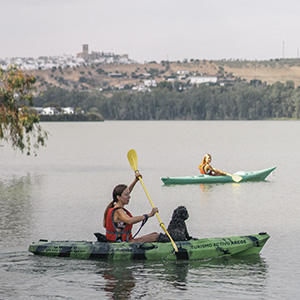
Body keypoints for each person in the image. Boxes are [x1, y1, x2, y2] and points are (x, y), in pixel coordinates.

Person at [103, 172, 159, 243]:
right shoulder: (118, 211)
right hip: (121, 242)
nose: (129, 196)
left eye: (128, 194)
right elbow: (129, 221)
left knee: (155, 234)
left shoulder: (113, 206)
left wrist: (135, 180)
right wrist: (148, 215)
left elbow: (126, 192)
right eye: (127, 195)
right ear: (119, 197)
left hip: (122, 240)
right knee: (156, 237)